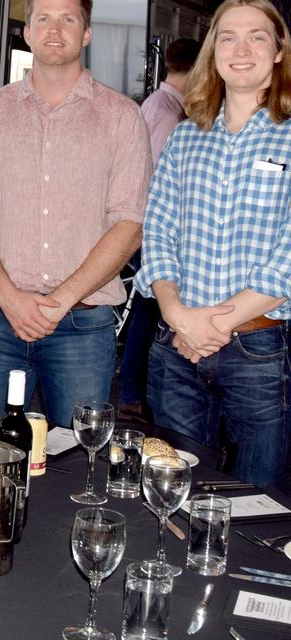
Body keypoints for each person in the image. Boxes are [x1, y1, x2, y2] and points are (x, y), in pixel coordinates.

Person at [0, 0, 151, 424]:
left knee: (76, 462)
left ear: (86, 33)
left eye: (67, 20)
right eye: (43, 20)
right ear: (26, 33)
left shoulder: (122, 118)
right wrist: (10, 297)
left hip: (82, 325)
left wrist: (59, 301)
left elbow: (129, 223)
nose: (54, 30)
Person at [135, 0, 291, 487]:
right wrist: (179, 316)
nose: (240, 49)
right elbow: (157, 229)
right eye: (228, 37)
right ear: (214, 51)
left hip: (259, 351)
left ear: (279, 50)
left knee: (255, 506)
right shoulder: (185, 137)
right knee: (172, 494)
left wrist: (214, 324)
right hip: (176, 347)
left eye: (256, 37)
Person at [117, 37, 202, 419]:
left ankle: (134, 391)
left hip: (149, 228)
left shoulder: (158, 104)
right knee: (148, 314)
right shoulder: (170, 116)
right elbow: (162, 184)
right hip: (155, 231)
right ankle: (134, 394)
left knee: (145, 315)